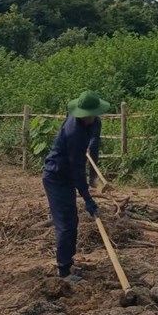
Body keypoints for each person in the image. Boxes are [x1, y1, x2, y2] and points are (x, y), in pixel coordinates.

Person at [43, 90, 108, 283]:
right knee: (65, 224)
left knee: (72, 221)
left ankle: (68, 262)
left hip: (68, 176)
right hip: (56, 177)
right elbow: (77, 167)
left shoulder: (92, 123)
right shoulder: (74, 132)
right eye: (89, 116)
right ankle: (63, 271)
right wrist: (87, 197)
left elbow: (93, 145)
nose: (92, 119)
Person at [86, 116, 102, 188]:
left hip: (92, 141)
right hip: (79, 140)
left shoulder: (97, 121)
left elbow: (95, 136)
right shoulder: (78, 120)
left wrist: (89, 147)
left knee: (94, 156)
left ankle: (92, 180)